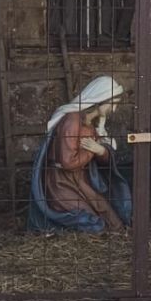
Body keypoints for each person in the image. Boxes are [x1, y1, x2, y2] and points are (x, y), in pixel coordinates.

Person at [27, 75, 133, 234]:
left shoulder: (90, 123)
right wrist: (91, 150)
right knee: (96, 226)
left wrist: (101, 150)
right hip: (62, 183)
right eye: (113, 103)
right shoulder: (72, 120)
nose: (114, 109)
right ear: (102, 98)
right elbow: (68, 162)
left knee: (115, 224)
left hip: (82, 180)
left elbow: (102, 159)